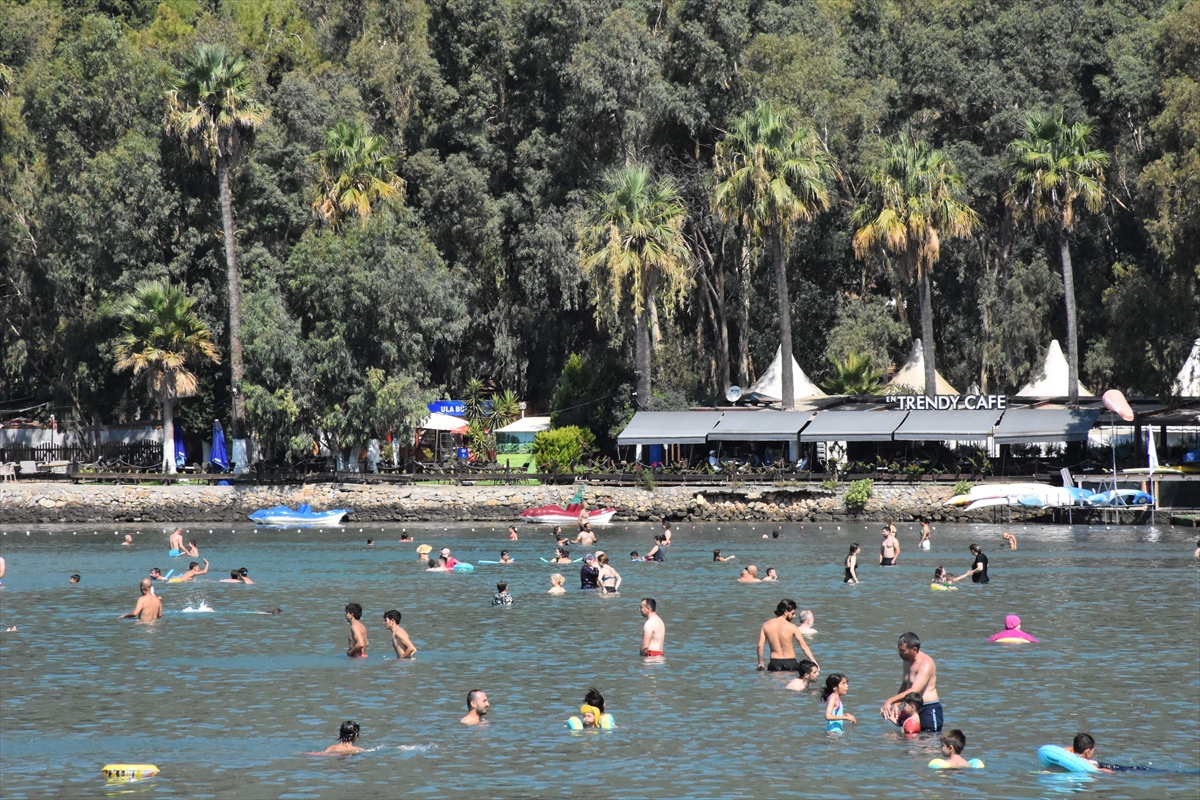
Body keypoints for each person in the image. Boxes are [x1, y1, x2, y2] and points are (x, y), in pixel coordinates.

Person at [881, 632, 942, 731]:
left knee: (928, 741)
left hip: (928, 709)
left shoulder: (926, 663)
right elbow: (906, 684)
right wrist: (896, 705)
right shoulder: (906, 659)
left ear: (914, 650)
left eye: (903, 651)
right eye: (899, 650)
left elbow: (915, 690)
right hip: (911, 708)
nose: (900, 653)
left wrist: (890, 701)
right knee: (909, 742)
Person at [757, 599, 819, 672]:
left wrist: (760, 663)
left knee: (775, 682)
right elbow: (804, 647)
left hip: (774, 663)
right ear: (786, 612)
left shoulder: (766, 625)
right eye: (792, 613)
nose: (794, 616)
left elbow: (760, 646)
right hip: (791, 663)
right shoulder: (792, 627)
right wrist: (814, 662)